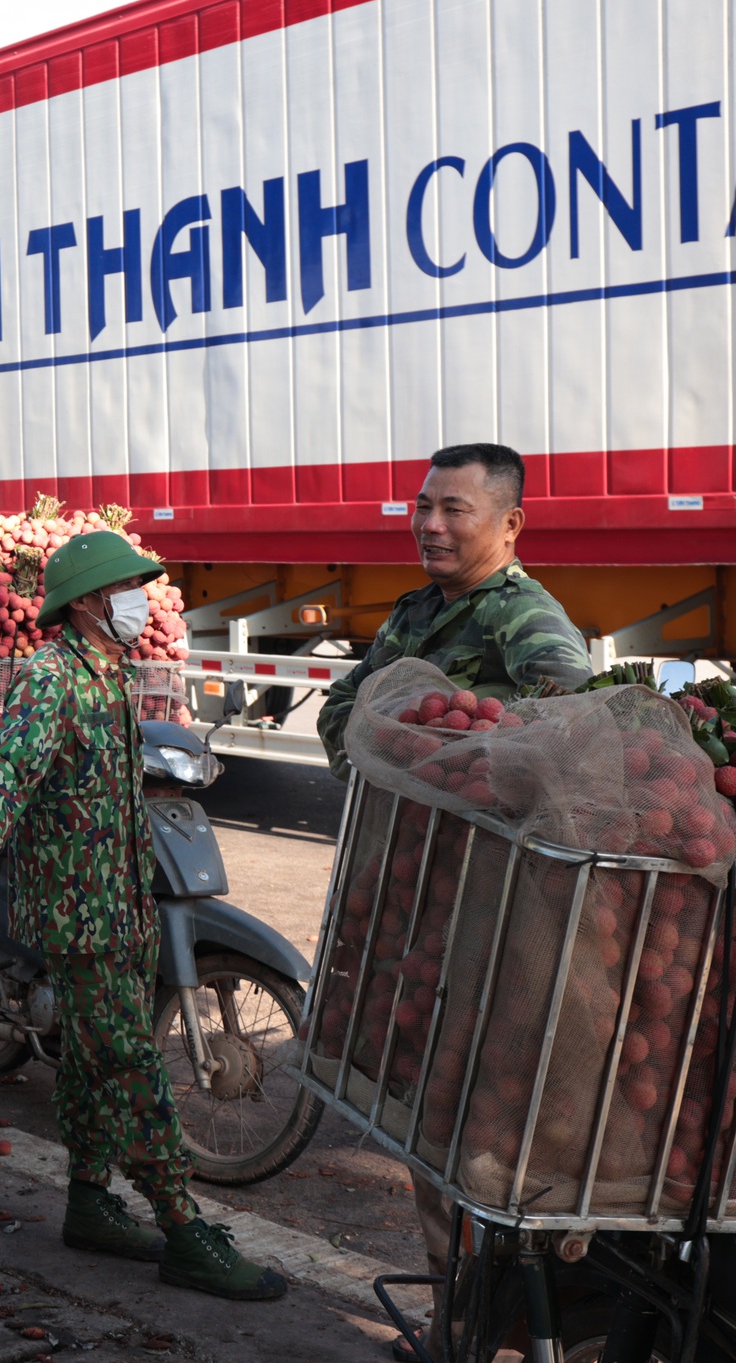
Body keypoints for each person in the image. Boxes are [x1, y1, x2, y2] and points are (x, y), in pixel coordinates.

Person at [0, 530, 288, 1302]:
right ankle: (183, 1229)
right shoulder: (54, 677)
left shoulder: (112, 675)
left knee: (92, 1066)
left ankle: (91, 1203)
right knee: (132, 1065)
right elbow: (14, 772)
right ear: (92, 601)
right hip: (77, 915)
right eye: (127, 588)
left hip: (123, 906)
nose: (138, 600)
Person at [314, 442, 591, 1359]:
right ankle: (461, 1322)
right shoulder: (419, 610)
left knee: (477, 1127)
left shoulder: (526, 620)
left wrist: (447, 761)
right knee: (428, 1125)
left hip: (493, 915)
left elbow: (571, 722)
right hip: (414, 897)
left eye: (455, 510)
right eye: (422, 505)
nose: (430, 523)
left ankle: (494, 1331)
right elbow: (348, 707)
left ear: (510, 524)